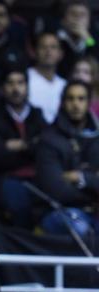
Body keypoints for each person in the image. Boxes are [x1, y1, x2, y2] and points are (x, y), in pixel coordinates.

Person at [0, 66, 47, 228]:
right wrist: (30, 147)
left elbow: (44, 150)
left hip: (37, 178)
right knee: (17, 196)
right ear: (2, 88)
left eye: (20, 83)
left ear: (27, 87)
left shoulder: (37, 115)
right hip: (4, 180)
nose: (16, 88)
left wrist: (20, 146)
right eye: (10, 83)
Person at [35, 80, 99, 237]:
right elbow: (56, 190)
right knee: (80, 227)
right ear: (62, 102)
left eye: (81, 98)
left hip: (95, 212)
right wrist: (94, 192)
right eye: (70, 99)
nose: (75, 104)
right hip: (60, 212)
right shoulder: (48, 139)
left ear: (89, 102)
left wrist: (82, 178)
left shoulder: (97, 138)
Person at [27, 32, 66, 124]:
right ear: (34, 52)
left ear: (60, 54)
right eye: (43, 47)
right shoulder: (24, 79)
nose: (48, 51)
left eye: (53, 47)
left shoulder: (65, 85)